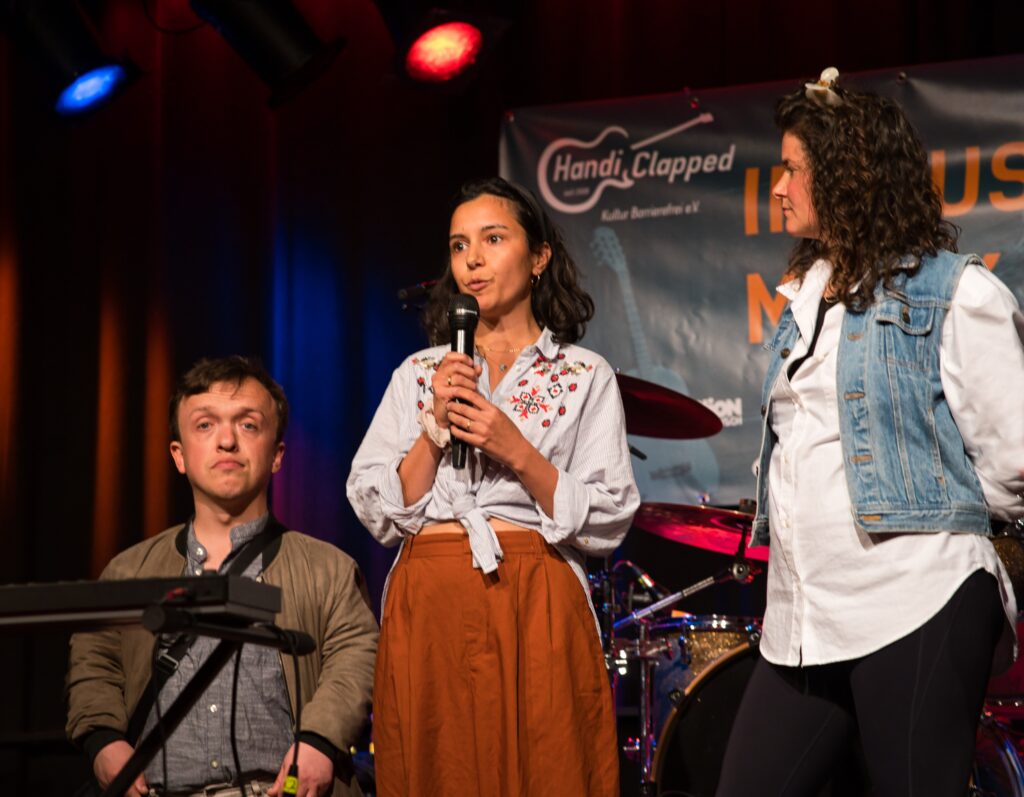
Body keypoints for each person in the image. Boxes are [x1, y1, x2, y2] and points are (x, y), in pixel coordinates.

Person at [715, 69, 1024, 796]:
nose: (779, 186)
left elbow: (1013, 461)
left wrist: (925, 505)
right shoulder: (803, 299)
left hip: (916, 598)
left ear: (847, 177)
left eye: (793, 168)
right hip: (803, 617)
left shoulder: (954, 291)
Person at [347, 177, 639, 796]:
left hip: (534, 596)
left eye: (492, 239)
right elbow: (377, 509)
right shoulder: (419, 372)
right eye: (458, 246)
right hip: (432, 599)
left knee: (546, 766)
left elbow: (608, 516)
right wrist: (432, 428)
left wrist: (516, 449)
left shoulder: (585, 376)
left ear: (538, 257)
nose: (472, 260)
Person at [67, 356, 379, 797]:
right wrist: (103, 742)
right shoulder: (127, 570)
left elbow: (356, 656)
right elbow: (94, 665)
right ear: (179, 455)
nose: (227, 441)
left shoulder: (330, 569)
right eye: (205, 425)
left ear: (276, 456)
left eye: (248, 425)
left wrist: (319, 740)